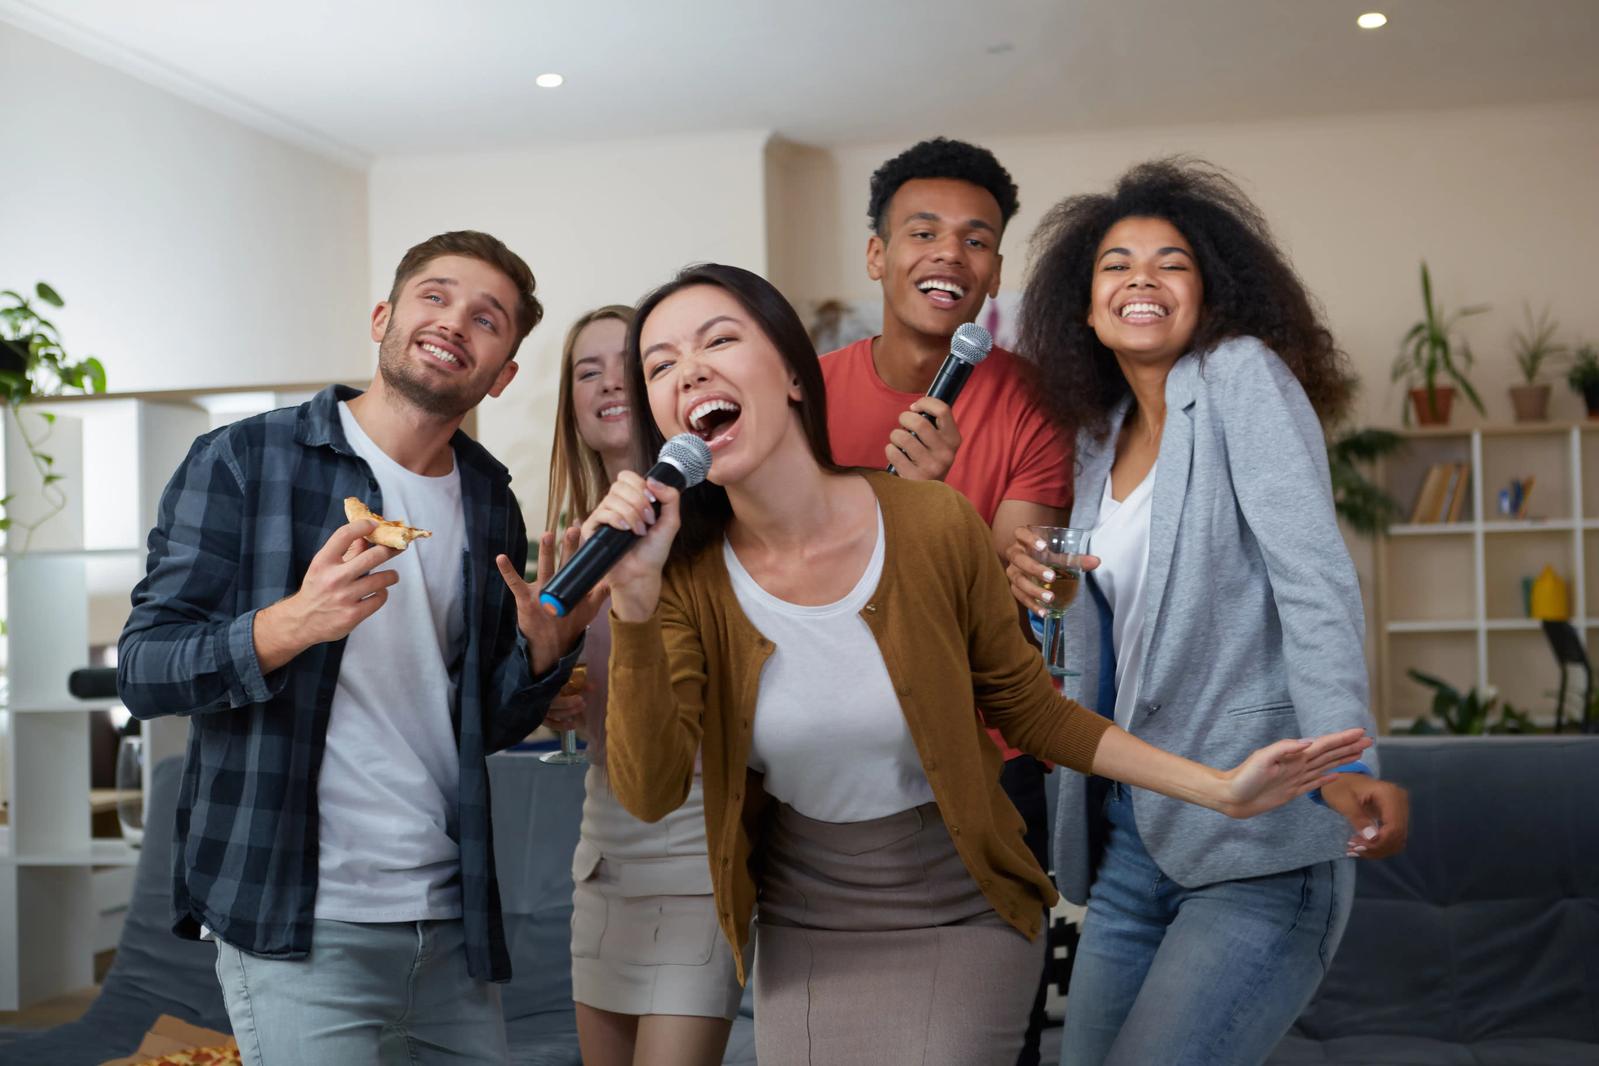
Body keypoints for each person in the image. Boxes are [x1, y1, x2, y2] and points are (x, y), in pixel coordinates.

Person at [586, 262, 1372, 1066]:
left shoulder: (930, 522)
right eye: (660, 364)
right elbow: (649, 790)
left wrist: (1218, 788)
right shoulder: (680, 580)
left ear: (792, 372)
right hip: (803, 920)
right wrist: (636, 603)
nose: (691, 370)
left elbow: (1031, 710)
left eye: (719, 340)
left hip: (959, 901)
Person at [116, 231, 598, 1066]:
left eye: (487, 320)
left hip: (450, 916)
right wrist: (294, 621)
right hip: (298, 915)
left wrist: (541, 655)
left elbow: (475, 722)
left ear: (502, 372)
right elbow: (145, 669)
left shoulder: (489, 503)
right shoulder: (243, 459)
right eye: (435, 296)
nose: (454, 323)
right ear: (384, 316)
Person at [1002, 159, 1410, 1066]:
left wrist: (1347, 756)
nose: (1140, 278)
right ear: (1083, 304)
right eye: (1115, 263)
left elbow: (1313, 580)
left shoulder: (1238, 378)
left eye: (1169, 261)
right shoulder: (1091, 441)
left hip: (1257, 841)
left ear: (1209, 291)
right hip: (1125, 840)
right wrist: (1048, 607)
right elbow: (1097, 640)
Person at [819, 137, 1071, 1061]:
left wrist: (931, 511)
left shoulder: (1033, 402)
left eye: (975, 240)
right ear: (878, 255)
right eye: (922, 232)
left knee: (992, 1040)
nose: (949, 257)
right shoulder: (803, 396)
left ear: (995, 269)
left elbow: (1010, 615)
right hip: (826, 764)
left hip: (988, 761)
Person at [540, 305, 744, 1066]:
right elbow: (577, 691)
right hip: (603, 851)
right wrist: (550, 685)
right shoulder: (567, 542)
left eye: (626, 365)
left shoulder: (724, 523)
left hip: (694, 844)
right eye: (584, 372)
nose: (606, 384)